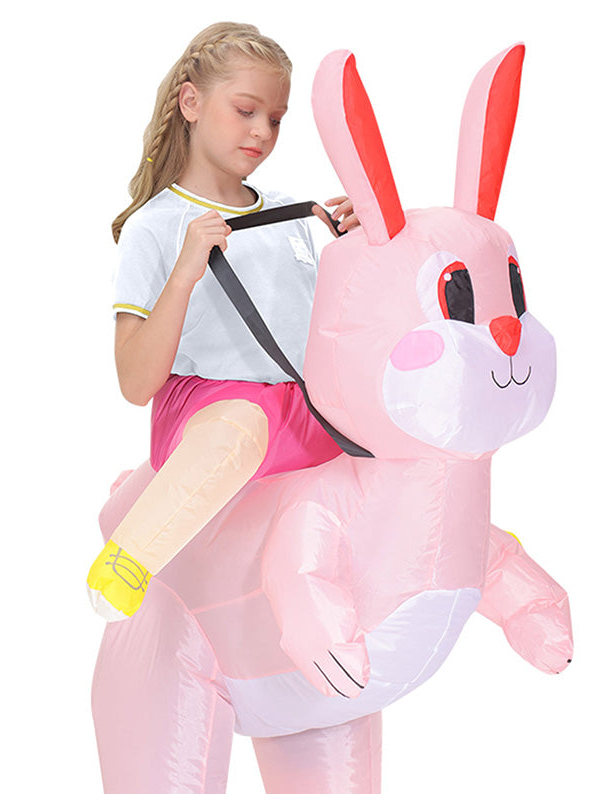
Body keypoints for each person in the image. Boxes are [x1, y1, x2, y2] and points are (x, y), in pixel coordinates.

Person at [87, 22, 358, 619]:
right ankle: (128, 559)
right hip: (209, 410)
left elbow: (326, 335)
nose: (263, 132)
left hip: (302, 408)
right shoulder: (154, 227)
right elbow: (134, 383)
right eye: (246, 111)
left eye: (276, 118)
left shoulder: (294, 215)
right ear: (191, 102)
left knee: (383, 420)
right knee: (240, 421)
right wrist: (185, 272)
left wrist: (363, 247)